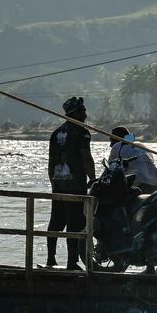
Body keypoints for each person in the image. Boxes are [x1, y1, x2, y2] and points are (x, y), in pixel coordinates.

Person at [47, 96, 96, 269]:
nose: (85, 115)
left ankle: (50, 259)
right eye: (82, 111)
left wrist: (53, 182)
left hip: (58, 183)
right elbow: (86, 158)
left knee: (56, 221)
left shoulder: (56, 133)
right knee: (75, 223)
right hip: (75, 184)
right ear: (75, 114)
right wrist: (93, 178)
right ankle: (71, 261)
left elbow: (51, 162)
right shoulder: (81, 132)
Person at [108, 126, 157, 194]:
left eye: (111, 140)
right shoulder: (141, 145)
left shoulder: (116, 147)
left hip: (141, 185)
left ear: (117, 139)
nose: (110, 145)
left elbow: (110, 170)